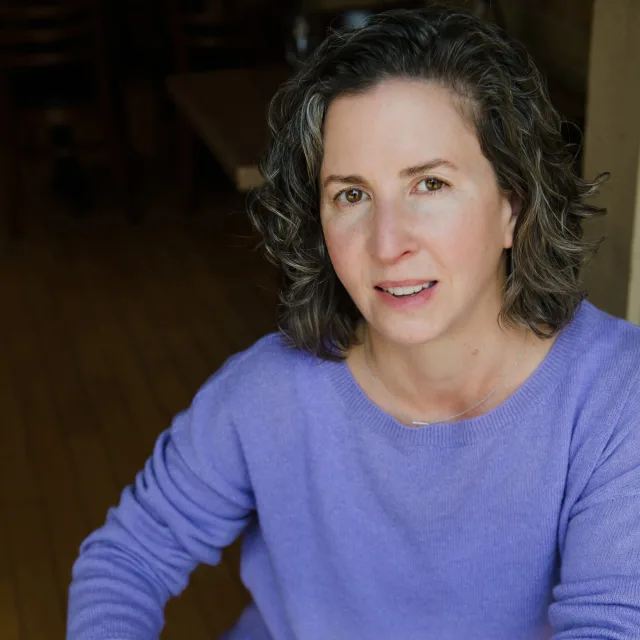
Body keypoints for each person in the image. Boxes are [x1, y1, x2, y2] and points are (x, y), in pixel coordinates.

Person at [67, 7, 640, 640]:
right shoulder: (269, 391)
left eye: (430, 183)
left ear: (514, 205)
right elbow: (126, 558)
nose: (387, 242)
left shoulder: (612, 397)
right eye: (352, 194)